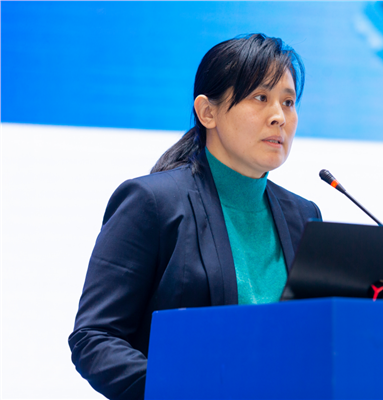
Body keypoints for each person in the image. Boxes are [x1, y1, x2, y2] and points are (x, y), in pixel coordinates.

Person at [68, 33, 321, 400]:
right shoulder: (152, 203)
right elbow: (95, 338)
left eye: (288, 101)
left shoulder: (304, 216)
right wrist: (178, 388)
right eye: (260, 98)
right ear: (207, 112)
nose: (279, 117)